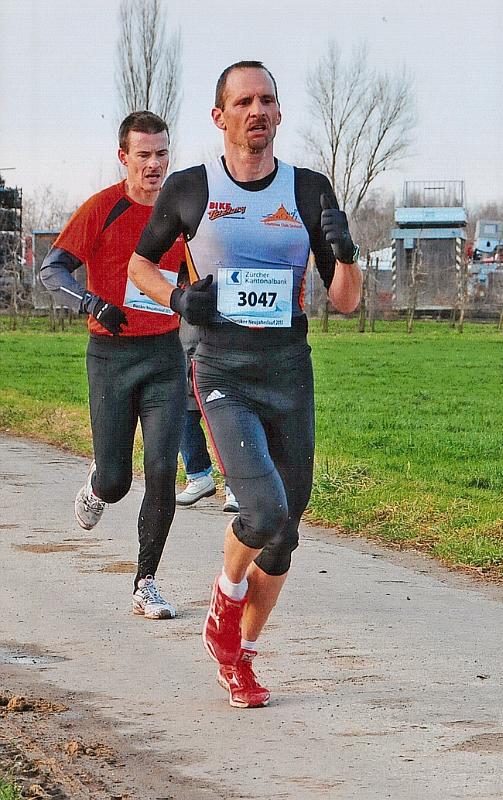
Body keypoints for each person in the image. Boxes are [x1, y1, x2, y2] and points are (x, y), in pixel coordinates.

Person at [128, 61, 362, 705]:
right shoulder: (190, 188)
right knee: (260, 511)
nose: (257, 110)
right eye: (243, 101)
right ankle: (223, 607)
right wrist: (179, 298)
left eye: (267, 100)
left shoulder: (310, 189)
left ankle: (242, 657)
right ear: (220, 116)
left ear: (279, 114)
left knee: (285, 531)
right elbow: (140, 264)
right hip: (222, 365)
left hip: (289, 366)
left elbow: (344, 301)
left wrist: (346, 253)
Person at [40, 111, 186, 621]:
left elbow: (201, 276)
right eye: (143, 155)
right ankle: (97, 485)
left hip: (166, 355)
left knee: (164, 471)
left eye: (162, 154)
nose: (154, 164)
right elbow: (50, 269)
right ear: (123, 157)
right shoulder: (102, 208)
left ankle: (146, 582)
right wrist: (89, 303)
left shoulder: (185, 210)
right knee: (118, 481)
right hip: (111, 357)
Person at [176, 318, 239, 513]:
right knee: (183, 416)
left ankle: (236, 487)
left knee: (227, 421)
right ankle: (198, 476)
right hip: (187, 348)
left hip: (222, 345)